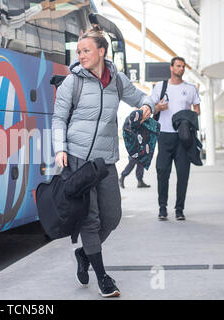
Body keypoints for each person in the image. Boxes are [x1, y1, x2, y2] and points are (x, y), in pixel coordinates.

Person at [52, 26, 154, 297]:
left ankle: (84, 253)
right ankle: (102, 277)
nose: (81, 55)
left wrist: (146, 108)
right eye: (79, 51)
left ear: (101, 51)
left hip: (106, 160)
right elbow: (59, 118)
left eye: (86, 50)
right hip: (78, 158)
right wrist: (60, 148)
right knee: (90, 217)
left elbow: (143, 97)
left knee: (112, 217)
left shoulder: (117, 81)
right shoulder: (73, 81)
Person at [151, 57, 200, 221]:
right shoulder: (160, 86)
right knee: (162, 172)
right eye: (178, 66)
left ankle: (179, 209)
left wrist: (187, 118)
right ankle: (162, 208)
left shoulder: (191, 88)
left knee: (183, 173)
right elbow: (151, 108)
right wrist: (159, 107)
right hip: (164, 135)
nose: (181, 69)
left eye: (183, 66)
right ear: (171, 68)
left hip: (183, 137)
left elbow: (197, 110)